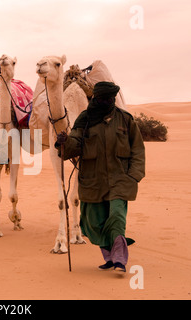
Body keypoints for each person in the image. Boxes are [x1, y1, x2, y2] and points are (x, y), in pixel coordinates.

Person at [55, 81, 145, 273]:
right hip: (93, 180)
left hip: (120, 179)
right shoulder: (85, 119)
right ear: (95, 98)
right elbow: (75, 144)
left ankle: (120, 259)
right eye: (102, 98)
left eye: (109, 99)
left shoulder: (125, 120)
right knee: (94, 223)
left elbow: (138, 149)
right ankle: (111, 257)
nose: (106, 102)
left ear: (113, 99)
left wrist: (134, 176)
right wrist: (64, 143)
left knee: (117, 217)